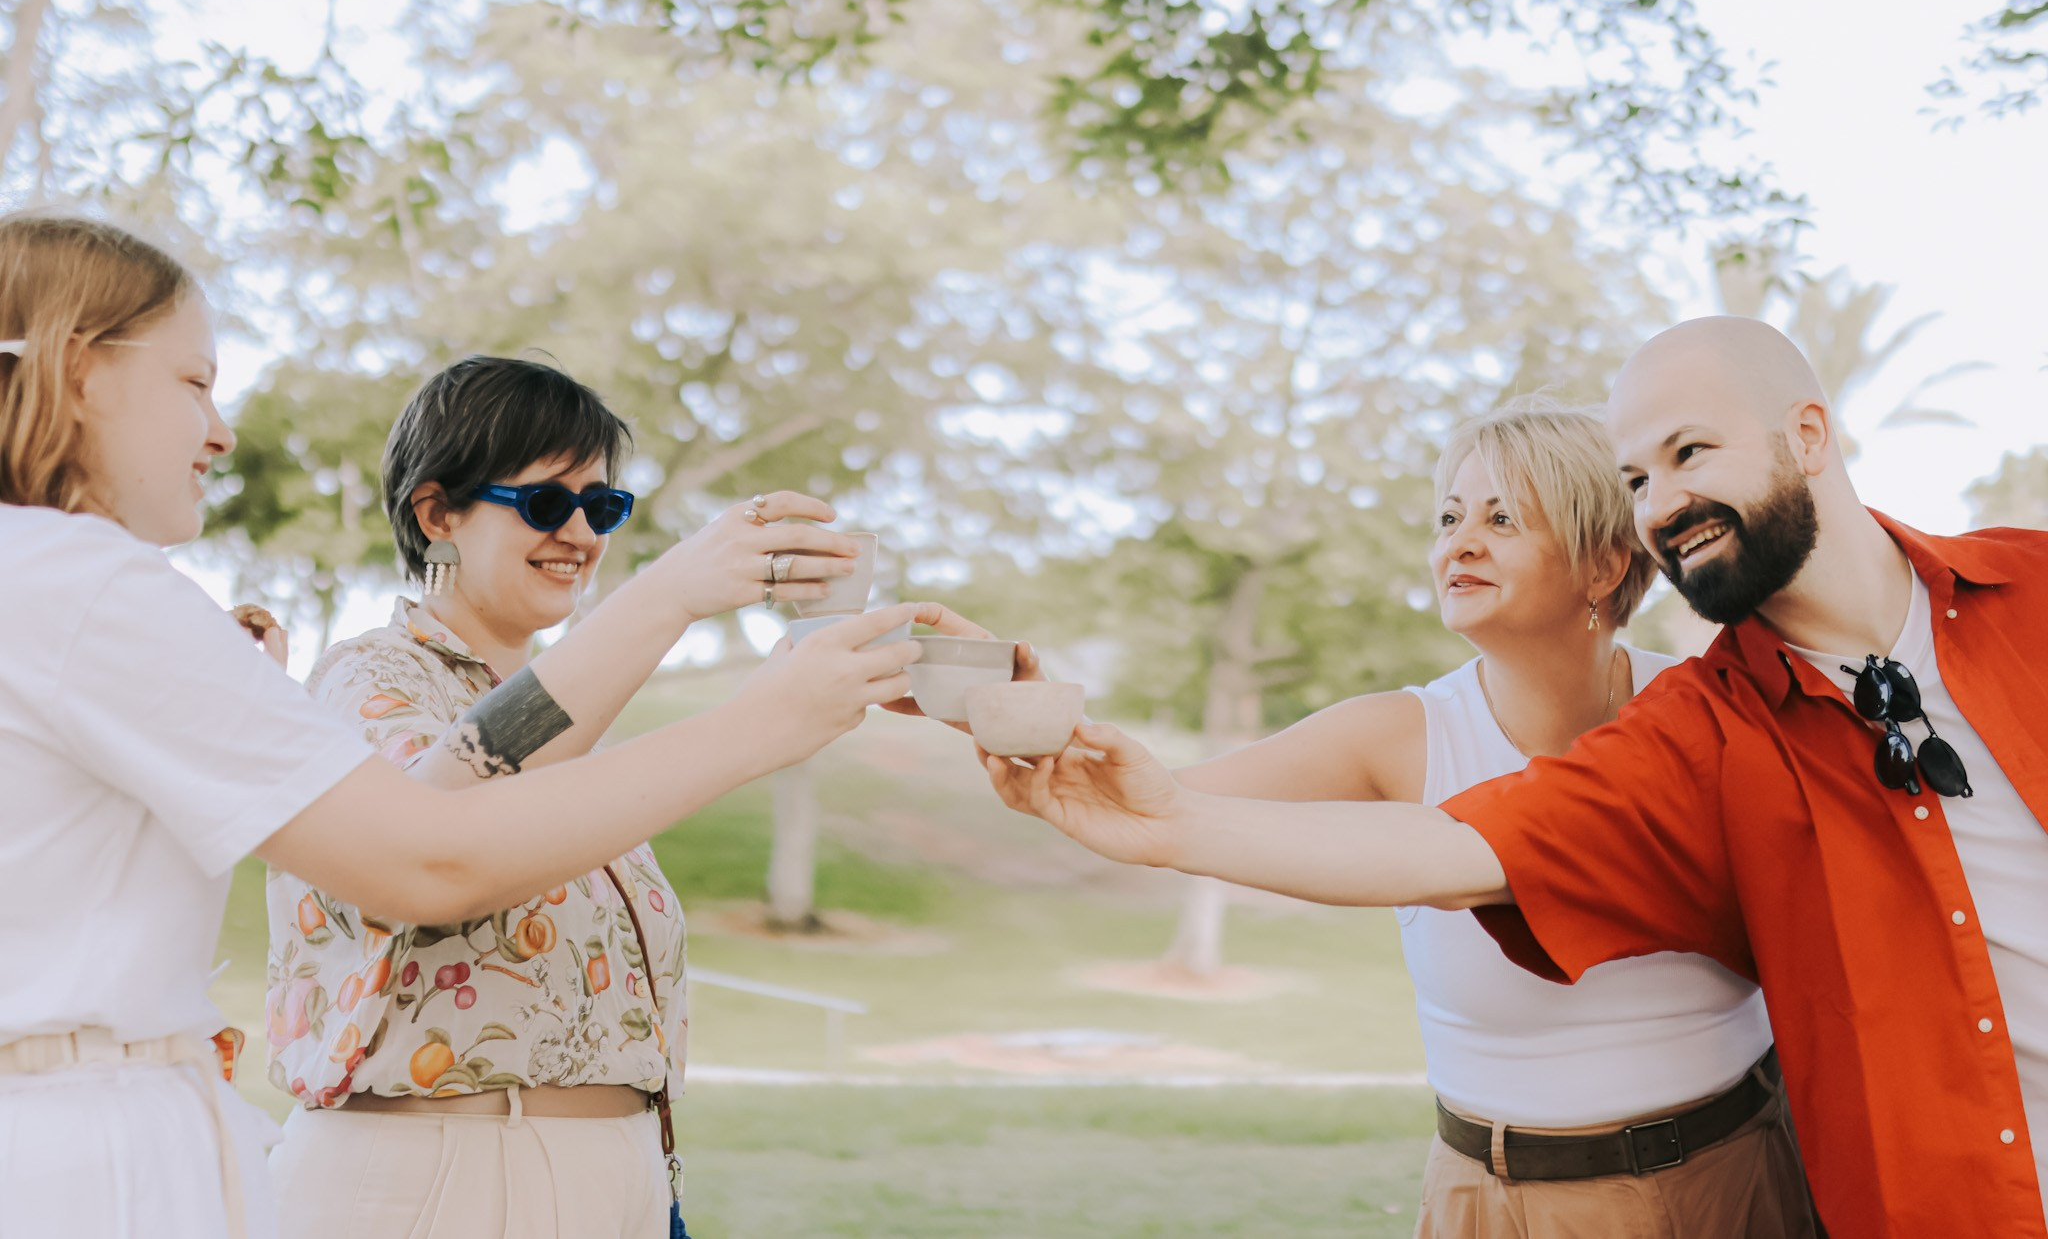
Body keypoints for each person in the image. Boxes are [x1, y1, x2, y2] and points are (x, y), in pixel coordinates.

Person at [983, 318, 2048, 1237]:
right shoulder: (1703, 730)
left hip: (1730, 1166)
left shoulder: (2021, 594)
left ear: (1806, 435)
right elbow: (1459, 849)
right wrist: (1137, 798)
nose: (1663, 500)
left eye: (1689, 452)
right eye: (1638, 480)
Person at [0, 211, 920, 1239]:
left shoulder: (62, 592)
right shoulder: (131, 599)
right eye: (194, 382)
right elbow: (429, 848)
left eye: (604, 508)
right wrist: (741, 695)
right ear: (80, 369)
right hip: (344, 1168)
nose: (220, 430)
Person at [1160, 397, 1809, 1235]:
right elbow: (1153, 795)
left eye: (1502, 518)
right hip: (1485, 1203)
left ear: (1605, 565)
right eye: (1449, 517)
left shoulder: (1708, 711)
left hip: (1730, 1186)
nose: (1458, 543)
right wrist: (994, 708)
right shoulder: (1396, 736)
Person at [262, 357, 869, 1237]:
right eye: (548, 502)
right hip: (451, 1179)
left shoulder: (587, 725)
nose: (581, 533)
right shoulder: (370, 674)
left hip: (615, 1180)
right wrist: (676, 604)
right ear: (438, 514)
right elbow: (430, 832)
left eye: (604, 506)